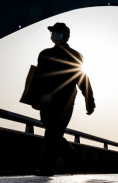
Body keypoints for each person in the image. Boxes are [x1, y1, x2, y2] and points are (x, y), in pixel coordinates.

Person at [28, 22, 95, 173]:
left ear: (66, 36)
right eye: (52, 32)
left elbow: (82, 78)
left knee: (52, 133)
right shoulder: (44, 54)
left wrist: (89, 102)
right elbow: (37, 77)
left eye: (57, 32)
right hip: (46, 100)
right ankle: (70, 155)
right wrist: (34, 98)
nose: (54, 35)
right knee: (52, 131)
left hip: (65, 101)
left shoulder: (75, 55)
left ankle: (47, 168)